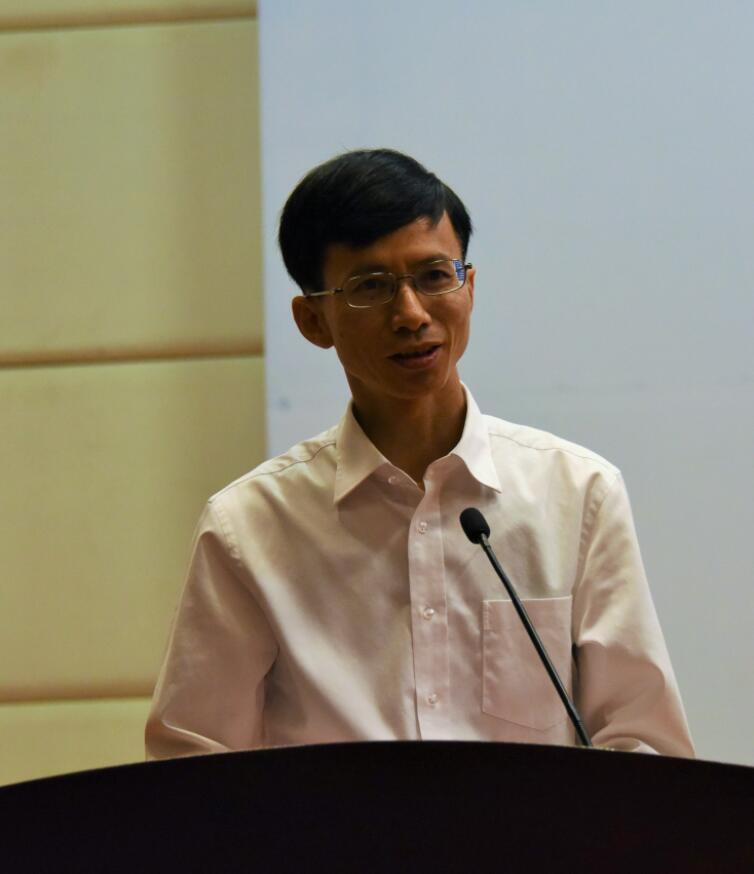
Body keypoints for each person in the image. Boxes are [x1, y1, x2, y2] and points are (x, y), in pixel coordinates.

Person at [145, 149, 694, 758]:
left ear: (469, 287)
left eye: (434, 276)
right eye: (370, 287)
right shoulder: (249, 528)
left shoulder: (576, 494)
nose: (410, 314)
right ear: (312, 321)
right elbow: (193, 766)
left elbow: (643, 746)